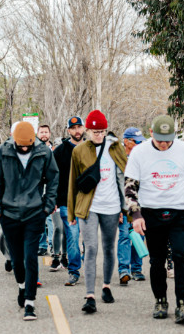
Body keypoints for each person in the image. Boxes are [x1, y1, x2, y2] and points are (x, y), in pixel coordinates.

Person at [124, 114, 184, 324]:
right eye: (159, 139)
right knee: (157, 259)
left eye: (168, 140)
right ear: (151, 133)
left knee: (181, 256)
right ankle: (160, 300)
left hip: (180, 211)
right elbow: (130, 187)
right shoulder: (139, 153)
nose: (163, 144)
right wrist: (136, 215)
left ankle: (183, 304)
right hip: (152, 211)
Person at [0, 121, 59, 321]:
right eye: (22, 146)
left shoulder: (44, 152)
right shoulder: (2, 153)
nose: (25, 148)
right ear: (14, 141)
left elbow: (53, 178)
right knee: (17, 259)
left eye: (28, 145)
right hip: (9, 215)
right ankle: (21, 285)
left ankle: (30, 302)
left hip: (34, 213)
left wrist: (47, 205)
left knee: (30, 257)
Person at [67, 109, 127, 314]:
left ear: (106, 130)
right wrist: (71, 213)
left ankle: (107, 286)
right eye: (94, 131)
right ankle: (89, 295)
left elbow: (124, 179)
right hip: (88, 207)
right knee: (91, 248)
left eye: (101, 131)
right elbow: (72, 183)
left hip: (111, 207)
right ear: (87, 131)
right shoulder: (80, 151)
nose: (98, 135)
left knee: (109, 247)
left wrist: (124, 208)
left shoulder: (116, 148)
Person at [53, 116, 85, 284]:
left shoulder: (91, 148)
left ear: (84, 129)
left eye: (79, 127)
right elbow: (53, 177)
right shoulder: (60, 151)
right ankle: (74, 271)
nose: (77, 130)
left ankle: (84, 259)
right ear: (68, 131)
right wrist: (55, 199)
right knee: (72, 236)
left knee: (88, 239)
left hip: (89, 202)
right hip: (67, 203)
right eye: (73, 128)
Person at [116, 127, 146, 285]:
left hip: (139, 205)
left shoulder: (142, 157)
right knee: (124, 236)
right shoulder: (118, 157)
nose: (139, 144)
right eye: (136, 142)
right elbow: (115, 184)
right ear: (126, 141)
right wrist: (118, 209)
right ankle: (124, 270)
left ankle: (137, 269)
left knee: (139, 236)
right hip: (122, 205)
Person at [36, 124, 54, 256]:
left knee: (51, 220)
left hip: (51, 190)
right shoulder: (34, 150)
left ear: (49, 134)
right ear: (37, 134)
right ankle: (42, 245)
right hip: (37, 191)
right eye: (41, 132)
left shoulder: (54, 150)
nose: (43, 134)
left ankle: (53, 245)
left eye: (46, 132)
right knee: (40, 219)